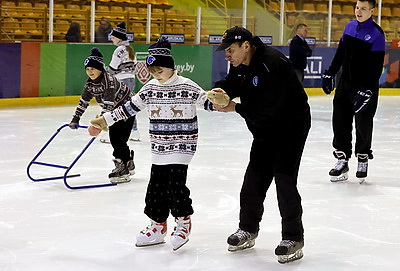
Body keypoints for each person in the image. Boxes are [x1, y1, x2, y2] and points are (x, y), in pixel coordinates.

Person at [88, 37, 214, 251]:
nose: (157, 75)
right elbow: (127, 109)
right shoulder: (149, 89)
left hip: (182, 144)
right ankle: (158, 225)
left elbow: (208, 102)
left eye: (160, 71)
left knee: (176, 185)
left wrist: (220, 99)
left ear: (171, 67)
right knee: (155, 188)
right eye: (153, 72)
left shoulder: (187, 86)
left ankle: (183, 221)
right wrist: (104, 121)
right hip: (159, 146)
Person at [212, 26, 311, 264]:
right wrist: (220, 90)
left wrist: (235, 107)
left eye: (230, 50)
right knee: (254, 178)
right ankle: (248, 229)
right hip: (265, 129)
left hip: (290, 128)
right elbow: (234, 83)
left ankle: (293, 237)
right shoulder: (241, 63)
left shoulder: (272, 63)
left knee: (283, 178)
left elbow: (270, 108)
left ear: (246, 46)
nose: (227, 55)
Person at [321, 0, 385, 183]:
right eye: (357, 7)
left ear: (372, 11)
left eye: (364, 8)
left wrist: (366, 90)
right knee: (340, 120)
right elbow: (340, 53)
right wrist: (330, 73)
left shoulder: (377, 34)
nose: (359, 11)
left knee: (363, 124)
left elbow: (376, 66)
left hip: (365, 87)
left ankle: (363, 157)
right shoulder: (349, 27)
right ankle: (342, 159)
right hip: (345, 84)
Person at [69, 47, 136, 184]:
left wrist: (100, 122)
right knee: (118, 139)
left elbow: (108, 104)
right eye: (87, 69)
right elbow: (84, 101)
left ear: (100, 69)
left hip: (127, 110)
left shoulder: (109, 81)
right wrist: (76, 118)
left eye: (93, 69)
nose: (90, 72)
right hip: (114, 112)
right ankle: (128, 162)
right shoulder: (90, 84)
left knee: (117, 138)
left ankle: (122, 167)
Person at [108, 21, 140, 142]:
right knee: (129, 106)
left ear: (118, 38)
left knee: (115, 106)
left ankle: (111, 132)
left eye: (113, 37)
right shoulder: (130, 49)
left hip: (121, 81)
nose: (112, 39)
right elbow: (135, 66)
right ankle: (134, 131)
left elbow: (112, 67)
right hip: (131, 80)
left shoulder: (119, 50)